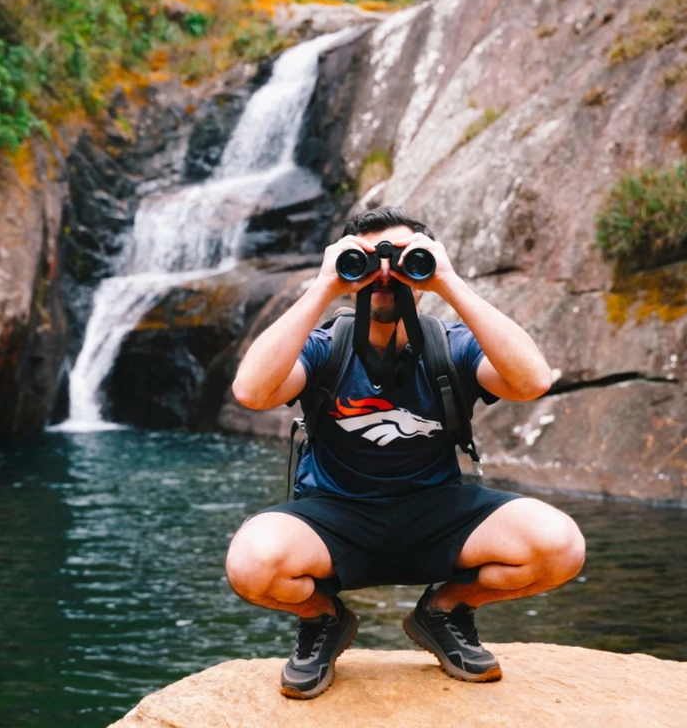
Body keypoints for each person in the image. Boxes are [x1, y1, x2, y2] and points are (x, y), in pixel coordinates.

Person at [226, 206, 586, 699]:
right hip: (335, 514)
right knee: (251, 565)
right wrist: (325, 286)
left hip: (437, 511)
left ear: (424, 267)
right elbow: (251, 392)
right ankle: (323, 619)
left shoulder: (450, 346)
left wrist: (449, 282)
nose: (384, 273)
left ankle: (445, 612)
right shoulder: (323, 347)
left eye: (401, 259)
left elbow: (532, 382)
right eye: (367, 260)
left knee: (560, 547)